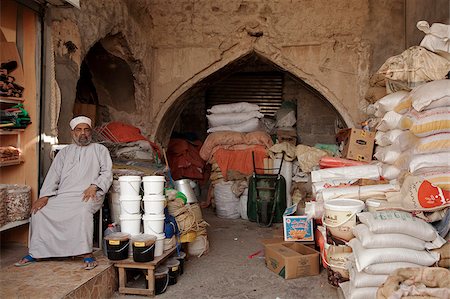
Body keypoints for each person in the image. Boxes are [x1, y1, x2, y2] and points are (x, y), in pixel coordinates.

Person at [15, 116, 113, 270]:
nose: (83, 133)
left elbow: (107, 173)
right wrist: (44, 196)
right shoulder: (64, 153)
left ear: (91, 132)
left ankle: (86, 253)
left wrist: (95, 185)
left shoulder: (100, 150)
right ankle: (37, 252)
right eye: (79, 130)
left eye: (86, 130)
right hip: (64, 195)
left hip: (90, 194)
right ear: (72, 132)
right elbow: (53, 176)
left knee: (82, 211)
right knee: (39, 213)